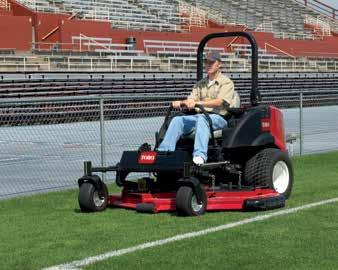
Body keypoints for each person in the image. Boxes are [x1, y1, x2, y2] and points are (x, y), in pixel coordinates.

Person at [157, 50, 238, 165]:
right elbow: (191, 99)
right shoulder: (200, 84)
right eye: (206, 62)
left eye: (212, 62)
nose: (208, 65)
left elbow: (219, 102)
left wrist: (197, 103)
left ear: (219, 64)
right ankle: (164, 152)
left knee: (202, 119)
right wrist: (182, 102)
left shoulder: (226, 82)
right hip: (200, 116)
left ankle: (199, 155)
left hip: (218, 118)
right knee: (177, 120)